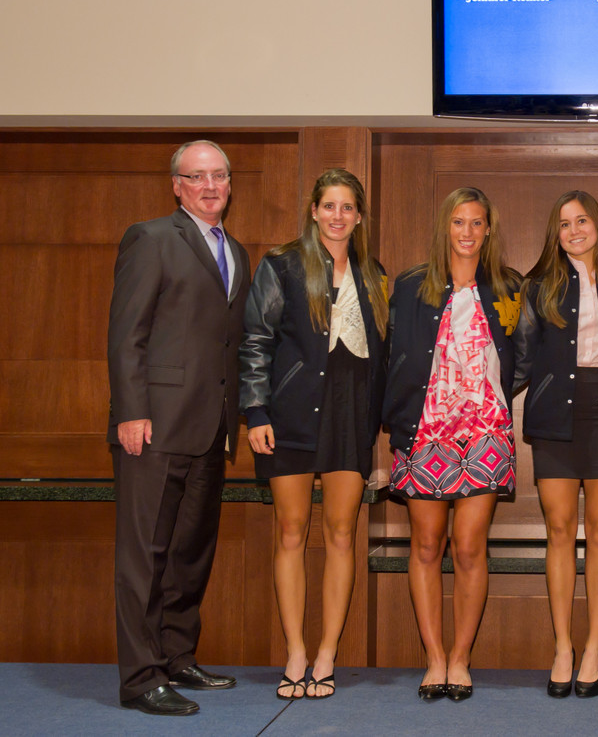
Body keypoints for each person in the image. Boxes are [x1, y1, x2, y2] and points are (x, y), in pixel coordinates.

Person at [107, 140, 250, 716]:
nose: (210, 186)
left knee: (190, 552)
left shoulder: (236, 251)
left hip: (211, 427)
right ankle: (141, 678)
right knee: (145, 555)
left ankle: (176, 656)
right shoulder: (150, 239)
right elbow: (127, 334)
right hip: (153, 427)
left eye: (218, 176)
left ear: (230, 183)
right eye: (197, 177)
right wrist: (130, 411)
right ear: (177, 186)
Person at [239, 169, 388, 700]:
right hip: (291, 414)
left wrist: (383, 430)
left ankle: (326, 653)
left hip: (351, 416)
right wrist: (256, 412)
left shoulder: (374, 274)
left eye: (348, 207)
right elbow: (255, 340)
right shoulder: (281, 265)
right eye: (329, 206)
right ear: (314, 211)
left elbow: (386, 355)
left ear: (359, 216)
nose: (337, 216)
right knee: (290, 532)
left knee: (342, 534)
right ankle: (296, 651)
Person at [383, 187, 521, 702]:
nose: (467, 232)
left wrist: (492, 394)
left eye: (477, 223)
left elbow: (525, 352)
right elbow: (392, 353)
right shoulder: (411, 285)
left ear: (489, 229)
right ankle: (434, 658)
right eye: (459, 222)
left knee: (468, 547)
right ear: (446, 226)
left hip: (486, 432)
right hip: (425, 430)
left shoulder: (508, 286)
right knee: (425, 545)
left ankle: (461, 658)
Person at [513, 191, 598, 699]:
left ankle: (593, 648)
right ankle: (563, 646)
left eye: (581, 220)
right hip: (554, 416)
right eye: (564, 224)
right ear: (556, 234)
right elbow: (519, 356)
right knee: (560, 530)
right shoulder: (537, 285)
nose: (573, 231)